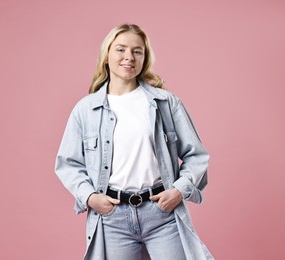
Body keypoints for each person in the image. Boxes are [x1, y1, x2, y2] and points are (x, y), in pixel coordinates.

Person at [55, 23, 213, 260]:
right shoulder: (85, 110)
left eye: (137, 51)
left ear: (144, 58)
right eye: (121, 49)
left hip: (162, 213)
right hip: (112, 217)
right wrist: (90, 197)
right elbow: (68, 164)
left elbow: (197, 155)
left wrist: (179, 191)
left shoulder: (166, 103)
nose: (129, 57)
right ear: (107, 55)